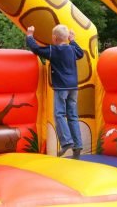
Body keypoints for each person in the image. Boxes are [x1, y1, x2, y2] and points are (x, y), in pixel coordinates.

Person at [26, 24, 84, 159]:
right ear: (66, 38)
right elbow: (80, 53)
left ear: (54, 38)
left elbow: (35, 48)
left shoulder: (53, 50)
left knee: (59, 114)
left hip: (61, 87)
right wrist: (73, 40)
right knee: (73, 116)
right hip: (73, 88)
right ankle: (78, 144)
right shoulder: (72, 49)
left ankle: (67, 142)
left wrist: (30, 36)